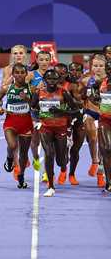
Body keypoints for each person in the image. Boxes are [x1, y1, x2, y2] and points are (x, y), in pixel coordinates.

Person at [30, 70, 79, 197]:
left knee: (61, 161)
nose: (52, 81)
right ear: (44, 80)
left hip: (61, 128)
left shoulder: (63, 92)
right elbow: (32, 107)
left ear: (58, 80)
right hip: (45, 128)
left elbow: (76, 111)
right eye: (49, 79)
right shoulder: (39, 92)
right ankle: (51, 186)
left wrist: (61, 112)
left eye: (54, 79)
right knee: (49, 153)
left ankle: (64, 161)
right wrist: (37, 118)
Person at [0, 63, 33, 188]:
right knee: (12, 145)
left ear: (26, 74)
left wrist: (27, 98)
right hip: (11, 121)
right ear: (13, 74)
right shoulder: (7, 88)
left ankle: (21, 176)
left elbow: (36, 105)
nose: (20, 75)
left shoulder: (31, 88)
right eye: (17, 72)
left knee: (24, 153)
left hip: (26, 122)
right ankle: (9, 158)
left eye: (22, 72)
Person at [81, 54, 107, 187]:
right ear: (91, 66)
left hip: (105, 114)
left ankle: (100, 171)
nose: (98, 68)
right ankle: (94, 161)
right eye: (95, 66)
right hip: (90, 112)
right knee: (92, 138)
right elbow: (79, 95)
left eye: (101, 66)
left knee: (104, 145)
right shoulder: (86, 80)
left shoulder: (108, 80)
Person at [98, 60, 111, 191]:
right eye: (108, 69)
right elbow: (93, 97)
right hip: (105, 120)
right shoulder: (99, 82)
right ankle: (109, 181)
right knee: (107, 148)